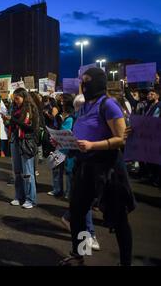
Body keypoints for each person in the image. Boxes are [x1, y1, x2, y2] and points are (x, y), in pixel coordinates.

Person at [59, 68, 136, 266]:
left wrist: (94, 145)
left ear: (99, 83)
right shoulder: (83, 107)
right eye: (82, 82)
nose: (83, 86)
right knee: (78, 213)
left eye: (87, 81)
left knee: (118, 219)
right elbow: (79, 135)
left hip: (108, 169)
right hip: (85, 167)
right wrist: (63, 141)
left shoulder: (109, 105)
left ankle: (125, 262)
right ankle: (80, 254)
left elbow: (120, 139)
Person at [6, 88, 39, 209]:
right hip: (15, 140)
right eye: (14, 99)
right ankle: (19, 196)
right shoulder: (15, 109)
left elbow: (30, 128)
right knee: (17, 172)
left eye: (17, 98)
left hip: (26, 142)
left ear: (23, 97)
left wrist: (12, 120)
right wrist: (7, 122)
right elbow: (14, 125)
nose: (15, 101)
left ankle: (30, 199)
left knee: (27, 172)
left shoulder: (31, 109)